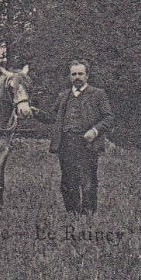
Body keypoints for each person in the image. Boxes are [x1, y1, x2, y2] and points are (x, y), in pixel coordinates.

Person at [46, 60, 114, 214]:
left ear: (87, 75)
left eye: (80, 74)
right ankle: (72, 214)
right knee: (68, 180)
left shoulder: (98, 94)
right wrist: (33, 111)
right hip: (66, 143)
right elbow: (51, 117)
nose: (77, 77)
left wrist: (95, 131)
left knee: (88, 180)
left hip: (87, 144)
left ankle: (88, 215)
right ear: (70, 76)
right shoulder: (63, 95)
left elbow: (109, 118)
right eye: (74, 74)